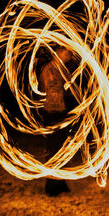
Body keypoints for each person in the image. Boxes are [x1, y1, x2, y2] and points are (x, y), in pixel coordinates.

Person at [39, 48, 73, 196]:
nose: (69, 55)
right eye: (66, 53)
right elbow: (47, 91)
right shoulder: (50, 70)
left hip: (59, 112)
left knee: (61, 148)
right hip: (52, 113)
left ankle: (61, 181)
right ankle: (51, 186)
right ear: (57, 55)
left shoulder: (59, 69)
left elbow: (63, 89)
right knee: (54, 150)